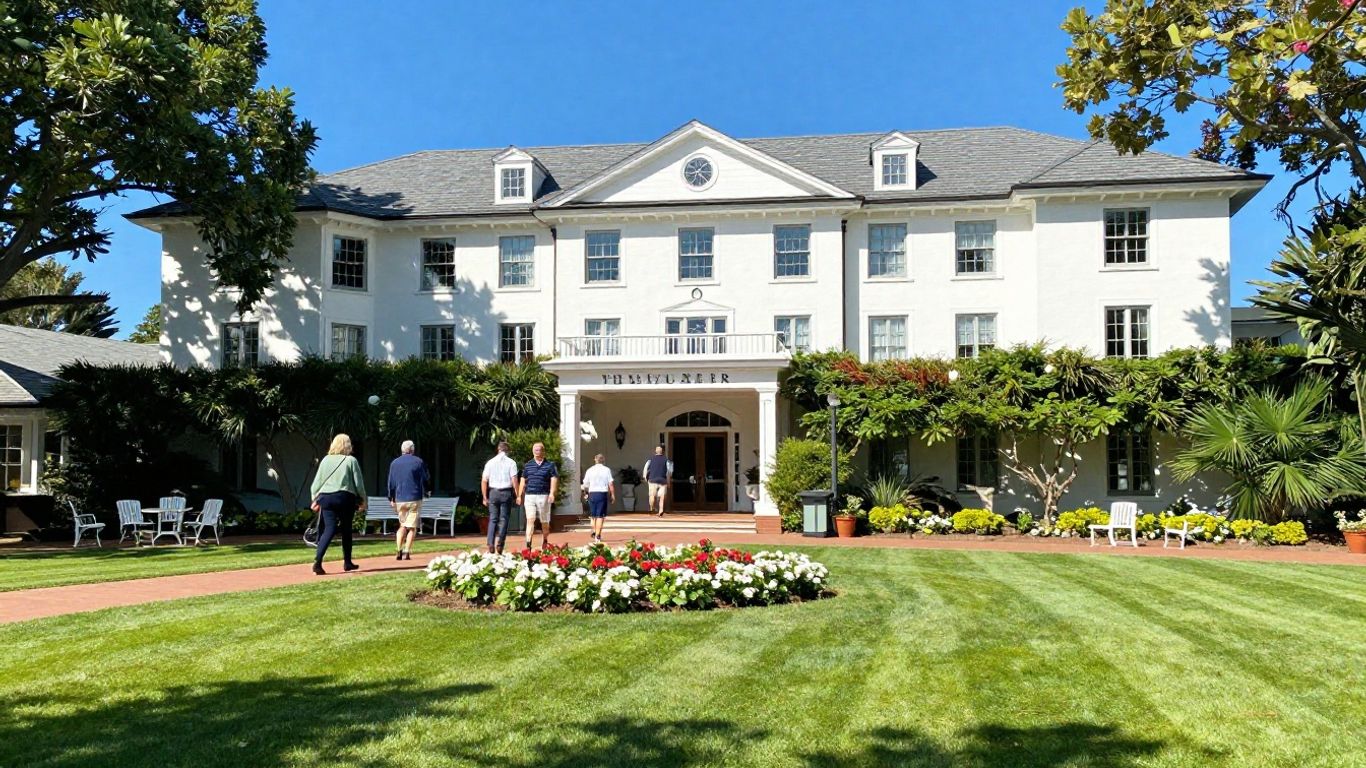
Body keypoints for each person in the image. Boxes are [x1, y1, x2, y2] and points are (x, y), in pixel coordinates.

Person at [310, 433, 367, 575]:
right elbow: (358, 484)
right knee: (346, 529)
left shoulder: (325, 460)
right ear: (348, 445)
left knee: (329, 529)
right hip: (344, 498)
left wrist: (314, 499)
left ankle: (318, 561)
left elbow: (316, 484)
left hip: (326, 498)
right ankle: (347, 562)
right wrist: (363, 500)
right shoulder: (351, 460)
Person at [387, 439, 430, 561]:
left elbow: (391, 482)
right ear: (412, 449)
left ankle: (398, 549)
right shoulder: (418, 462)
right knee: (412, 527)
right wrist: (427, 491)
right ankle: (406, 551)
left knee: (402, 525)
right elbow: (425, 479)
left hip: (400, 498)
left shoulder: (394, 463)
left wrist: (391, 498)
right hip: (414, 497)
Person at [517, 441, 559, 550]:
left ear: (543, 451)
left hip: (543, 496)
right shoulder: (528, 465)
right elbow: (522, 479)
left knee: (544, 522)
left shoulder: (550, 465)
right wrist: (519, 495)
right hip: (529, 496)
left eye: (538, 449)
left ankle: (545, 539)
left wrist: (552, 493)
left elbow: (554, 479)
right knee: (530, 519)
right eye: (535, 449)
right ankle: (528, 544)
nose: (536, 451)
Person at [481, 440, 519, 554]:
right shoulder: (511, 462)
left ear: (498, 449)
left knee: (493, 519)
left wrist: (484, 497)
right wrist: (518, 495)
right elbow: (514, 480)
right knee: (504, 519)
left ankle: (490, 543)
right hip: (506, 492)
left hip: (493, 492)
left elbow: (484, 480)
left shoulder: (490, 462)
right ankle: (500, 544)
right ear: (508, 451)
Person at [580, 453, 615, 543]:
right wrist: (612, 494)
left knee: (593, 515)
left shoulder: (590, 470)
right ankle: (598, 535)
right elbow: (610, 483)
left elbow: (585, 484)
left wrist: (585, 492)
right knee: (600, 516)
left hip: (592, 493)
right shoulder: (606, 470)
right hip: (602, 493)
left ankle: (595, 531)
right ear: (603, 460)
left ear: (595, 460)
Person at [644, 445, 673, 517]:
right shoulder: (667, 460)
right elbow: (669, 472)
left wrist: (645, 478)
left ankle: (651, 508)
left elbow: (645, 469)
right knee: (662, 496)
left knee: (652, 495)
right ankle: (661, 510)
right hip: (662, 480)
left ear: (655, 451)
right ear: (663, 451)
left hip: (652, 479)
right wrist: (668, 482)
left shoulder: (650, 460)